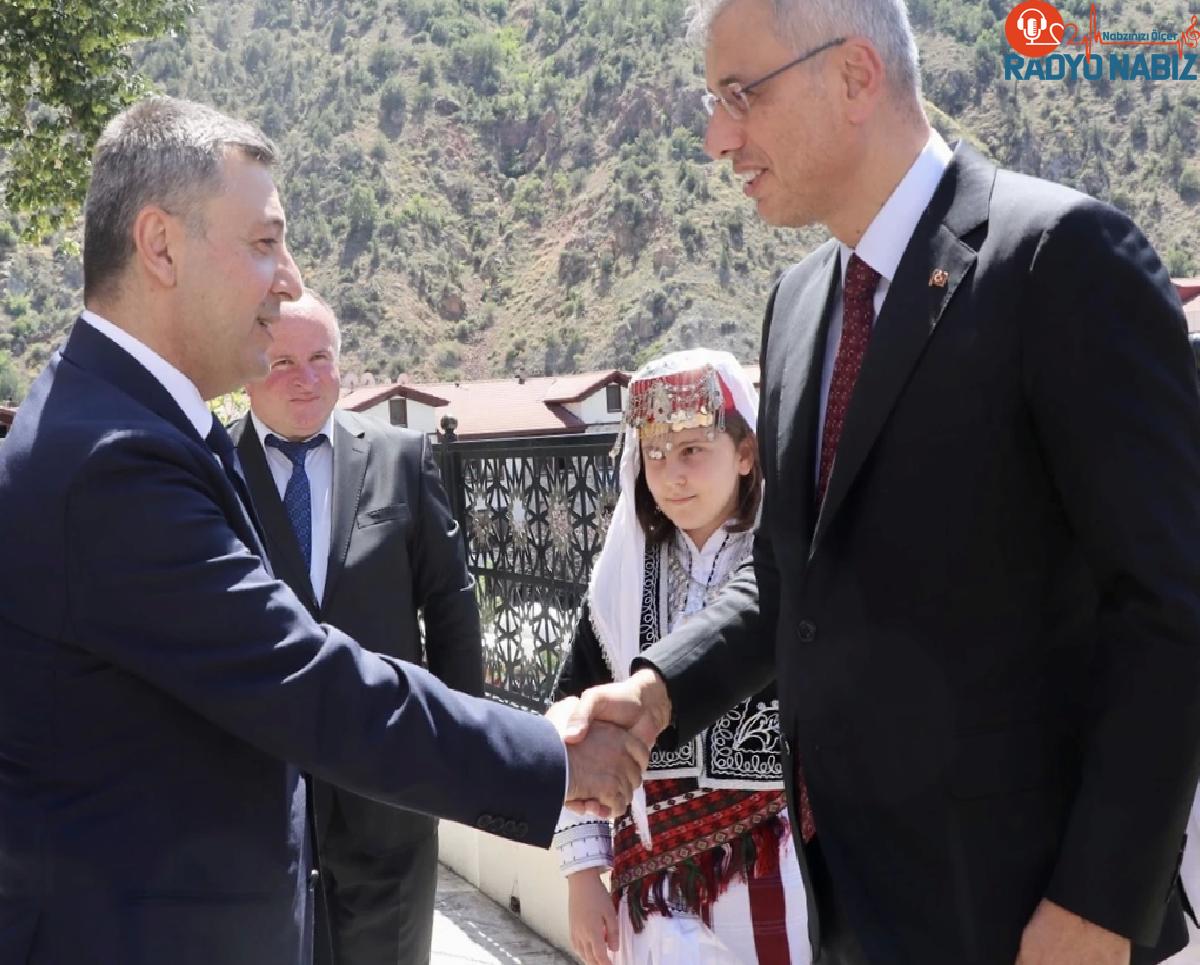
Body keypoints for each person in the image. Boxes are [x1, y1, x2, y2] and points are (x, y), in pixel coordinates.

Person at [570, 1, 1200, 963]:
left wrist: (1100, 905)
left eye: (740, 96)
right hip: (853, 913)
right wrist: (658, 690)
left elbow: (1170, 607)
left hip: (1031, 923)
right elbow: (791, 579)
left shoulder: (1059, 260)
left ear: (856, 75)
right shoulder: (796, 305)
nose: (714, 137)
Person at [0, 96, 648, 965]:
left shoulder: (128, 420)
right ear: (160, 246)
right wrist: (550, 757)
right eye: (265, 242)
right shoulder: (112, 461)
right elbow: (304, 676)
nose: (292, 279)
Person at [230, 290, 483, 965]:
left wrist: (459, 750)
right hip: (257, 806)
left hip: (389, 795)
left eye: (320, 358)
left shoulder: (400, 457)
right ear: (247, 365)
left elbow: (451, 606)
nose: (305, 379)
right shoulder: (211, 472)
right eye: (282, 361)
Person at [553, 350, 810, 965]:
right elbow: (572, 723)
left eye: (694, 449)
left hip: (785, 873)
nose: (673, 475)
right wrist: (583, 875)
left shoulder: (788, 573)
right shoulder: (617, 584)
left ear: (746, 453)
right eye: (656, 453)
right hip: (654, 889)